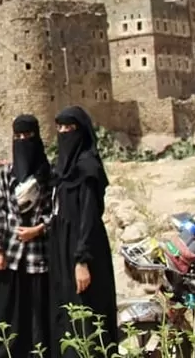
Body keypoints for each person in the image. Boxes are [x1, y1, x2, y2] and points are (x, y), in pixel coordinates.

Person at [48, 106, 118, 358]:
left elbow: (88, 218)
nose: (65, 133)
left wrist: (82, 260)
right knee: (66, 312)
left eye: (71, 128)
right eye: (61, 128)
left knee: (87, 312)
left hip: (83, 248)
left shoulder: (87, 169)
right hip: (62, 248)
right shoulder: (62, 169)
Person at [0, 115, 54, 358]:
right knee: (6, 315)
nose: (23, 140)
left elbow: (56, 211)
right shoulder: (5, 174)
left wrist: (39, 229)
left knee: (38, 317)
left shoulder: (49, 174)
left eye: (28, 136)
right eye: (18, 136)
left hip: (40, 257)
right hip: (10, 257)